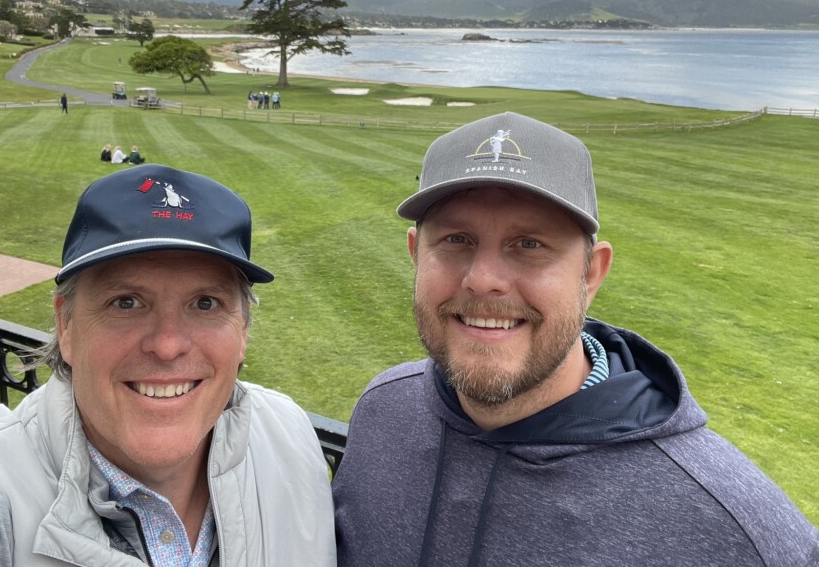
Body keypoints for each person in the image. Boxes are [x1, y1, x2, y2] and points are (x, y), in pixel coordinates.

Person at [333, 112, 817, 566]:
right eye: (456, 240)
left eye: (530, 244)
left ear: (592, 274)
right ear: (417, 256)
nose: (483, 280)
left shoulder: (735, 526)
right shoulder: (383, 410)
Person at [0, 164, 336, 565]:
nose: (168, 344)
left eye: (205, 303)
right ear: (65, 326)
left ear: (243, 328)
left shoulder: (289, 434)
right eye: (126, 302)